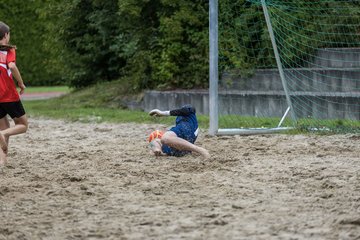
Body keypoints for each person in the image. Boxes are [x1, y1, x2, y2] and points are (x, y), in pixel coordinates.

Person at [0, 22, 28, 165]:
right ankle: (2, 134)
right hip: (9, 96)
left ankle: (2, 161)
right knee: (22, 125)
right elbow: (11, 65)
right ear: (6, 35)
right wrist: (21, 83)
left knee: (3, 127)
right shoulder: (9, 51)